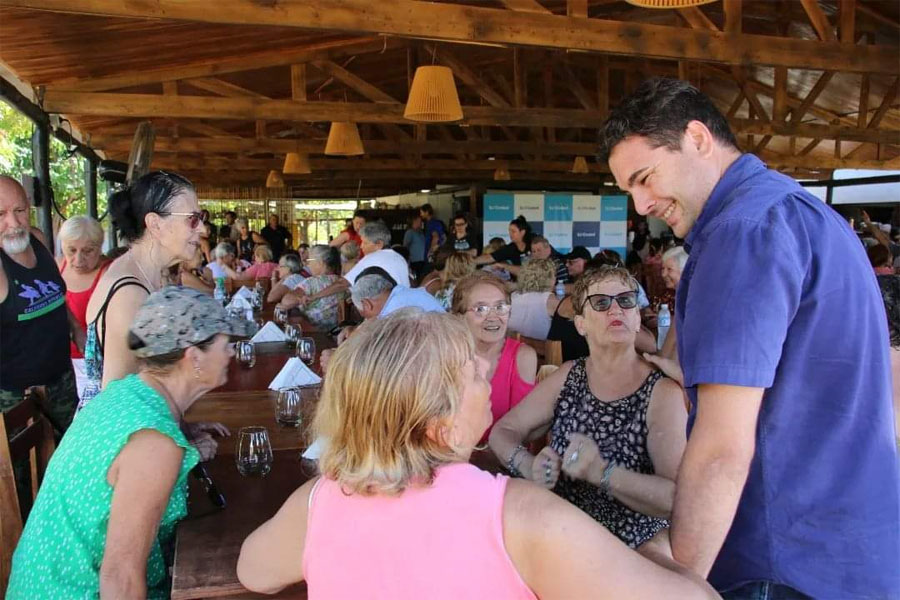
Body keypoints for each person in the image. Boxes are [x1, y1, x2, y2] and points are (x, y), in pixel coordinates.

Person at [600, 76, 900, 598]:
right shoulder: (806, 214)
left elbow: (722, 446)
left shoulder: (742, 232)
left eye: (645, 178)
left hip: (781, 557)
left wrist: (681, 580)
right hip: (855, 552)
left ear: (697, 138)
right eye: (630, 191)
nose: (642, 204)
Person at [236, 309, 717, 600]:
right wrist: (656, 550)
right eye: (470, 371)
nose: (486, 367)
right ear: (439, 424)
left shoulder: (320, 499)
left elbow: (253, 573)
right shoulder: (517, 516)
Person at [7, 287, 253, 599]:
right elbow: (120, 577)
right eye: (225, 344)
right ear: (193, 357)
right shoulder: (155, 444)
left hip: (40, 582)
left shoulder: (128, 393)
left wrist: (185, 430)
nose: (231, 353)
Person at [491, 265, 687, 551]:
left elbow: (675, 498)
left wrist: (601, 472)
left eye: (625, 301)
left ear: (637, 319)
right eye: (601, 302)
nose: (616, 309)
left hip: (629, 548)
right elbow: (503, 431)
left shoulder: (661, 391)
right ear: (581, 324)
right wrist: (529, 466)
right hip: (558, 534)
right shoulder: (570, 375)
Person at [81, 171, 203, 410]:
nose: (202, 229)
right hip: (122, 428)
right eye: (193, 219)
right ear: (155, 224)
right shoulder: (130, 295)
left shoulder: (151, 276)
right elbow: (119, 403)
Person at [0, 176, 79, 433]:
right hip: (16, 397)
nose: (14, 223)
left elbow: (53, 297)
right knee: (27, 458)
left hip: (62, 379)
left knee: (69, 449)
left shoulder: (37, 239)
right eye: (0, 214)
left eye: (20, 211)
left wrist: (76, 328)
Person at [451, 271, 536, 435]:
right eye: (480, 309)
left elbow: (522, 429)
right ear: (459, 317)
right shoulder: (447, 356)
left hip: (501, 450)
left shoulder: (522, 357)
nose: (493, 317)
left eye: (500, 307)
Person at [300, 222, 411, 310]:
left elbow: (342, 284)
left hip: (388, 310)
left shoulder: (373, 258)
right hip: (405, 307)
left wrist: (314, 297)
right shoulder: (399, 257)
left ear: (379, 244)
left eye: (365, 243)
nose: (361, 247)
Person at [56, 215, 110, 359]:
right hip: (59, 358)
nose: (79, 260)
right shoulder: (56, 267)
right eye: (71, 250)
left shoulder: (110, 273)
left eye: (88, 251)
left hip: (95, 359)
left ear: (100, 247)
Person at [279, 245, 345, 331]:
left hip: (312, 332)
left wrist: (300, 300)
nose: (308, 265)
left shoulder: (312, 283)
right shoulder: (343, 282)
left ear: (320, 263)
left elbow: (286, 302)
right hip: (335, 332)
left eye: (309, 261)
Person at [350, 267, 443, 320]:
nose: (367, 320)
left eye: (365, 315)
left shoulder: (391, 315)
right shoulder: (405, 293)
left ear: (367, 304)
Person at [508, 257, 558, 341]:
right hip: (541, 346)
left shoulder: (512, 296)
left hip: (514, 344)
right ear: (549, 277)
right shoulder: (549, 299)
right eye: (554, 275)